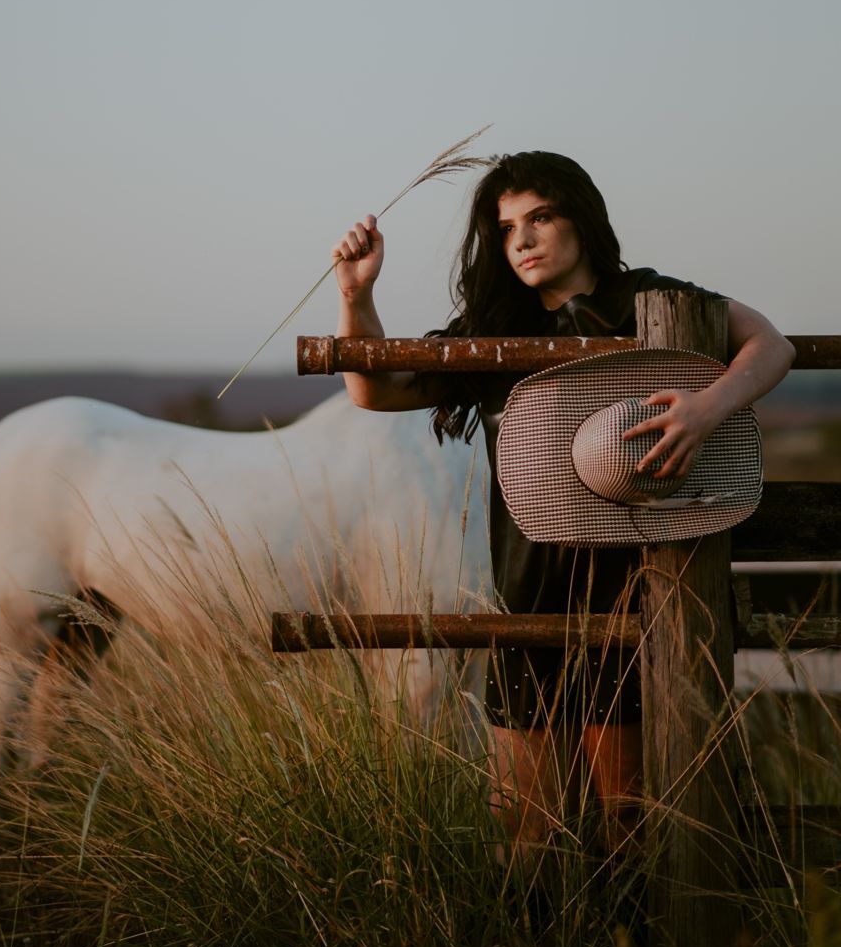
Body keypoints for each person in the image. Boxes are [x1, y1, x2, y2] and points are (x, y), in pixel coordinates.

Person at [332, 150, 795, 860]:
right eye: (507, 226)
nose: (521, 239)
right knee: (527, 833)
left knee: (630, 830)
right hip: (527, 606)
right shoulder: (493, 332)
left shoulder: (649, 300)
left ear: (582, 218)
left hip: (641, 604)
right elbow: (374, 390)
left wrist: (708, 408)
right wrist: (356, 296)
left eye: (540, 217)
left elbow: (771, 342)